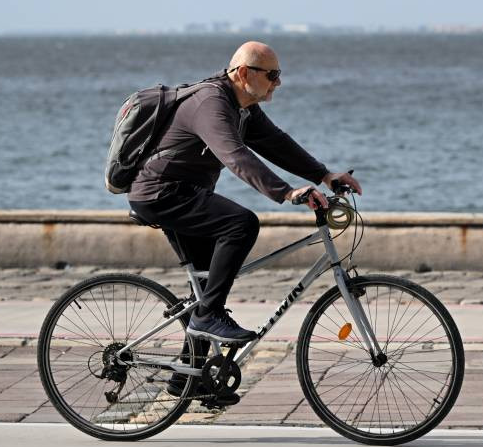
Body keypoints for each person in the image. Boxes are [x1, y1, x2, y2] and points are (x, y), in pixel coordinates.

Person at [128, 41, 362, 344]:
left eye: (279, 74)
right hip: (161, 193)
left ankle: (190, 376)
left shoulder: (243, 108)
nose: (278, 82)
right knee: (241, 225)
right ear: (242, 73)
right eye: (272, 74)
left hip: (186, 193)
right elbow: (235, 156)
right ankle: (208, 317)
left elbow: (276, 143)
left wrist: (325, 175)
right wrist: (288, 193)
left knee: (207, 289)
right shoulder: (211, 103)